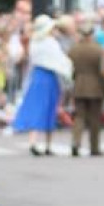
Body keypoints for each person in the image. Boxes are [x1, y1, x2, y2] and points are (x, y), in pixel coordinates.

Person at [13, 15, 72, 156]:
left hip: (37, 76)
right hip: (49, 77)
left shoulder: (34, 42)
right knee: (49, 108)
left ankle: (33, 142)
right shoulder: (50, 43)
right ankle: (48, 144)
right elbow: (61, 61)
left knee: (37, 107)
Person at [67, 19, 104, 157]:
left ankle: (76, 142)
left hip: (79, 85)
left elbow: (70, 69)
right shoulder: (99, 49)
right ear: (92, 34)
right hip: (96, 86)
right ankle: (94, 147)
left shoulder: (73, 49)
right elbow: (103, 71)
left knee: (79, 117)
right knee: (95, 118)